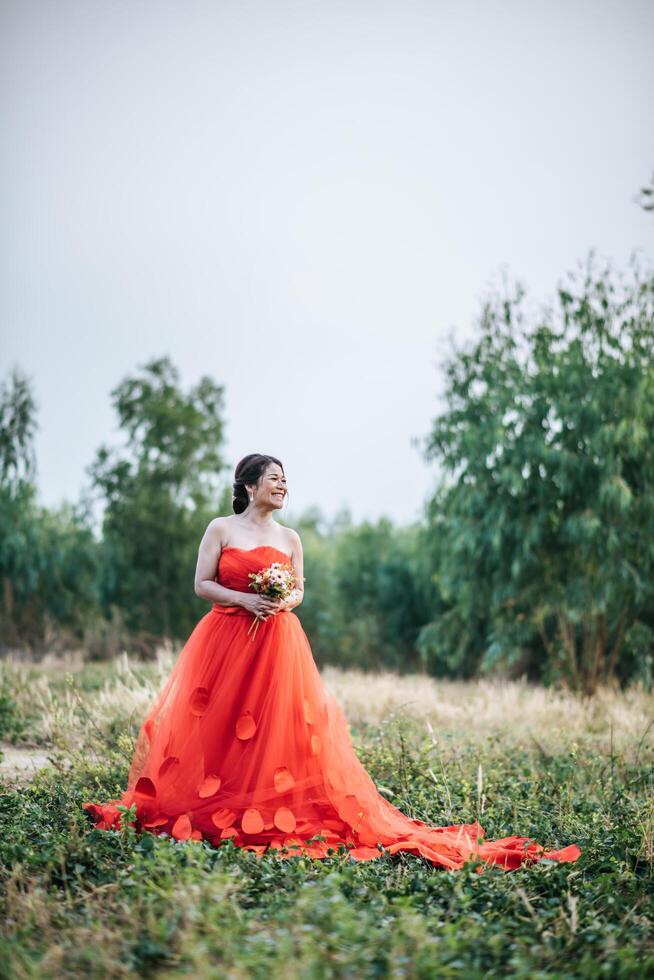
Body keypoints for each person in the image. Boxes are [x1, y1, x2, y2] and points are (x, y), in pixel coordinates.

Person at [83, 452, 581, 870]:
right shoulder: (221, 528)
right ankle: (210, 799)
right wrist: (244, 600)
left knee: (274, 726)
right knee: (218, 719)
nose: (282, 486)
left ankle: (262, 802)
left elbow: (299, 588)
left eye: (285, 481)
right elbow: (201, 584)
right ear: (250, 484)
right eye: (274, 478)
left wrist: (281, 600)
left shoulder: (290, 537)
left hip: (276, 640)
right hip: (226, 636)